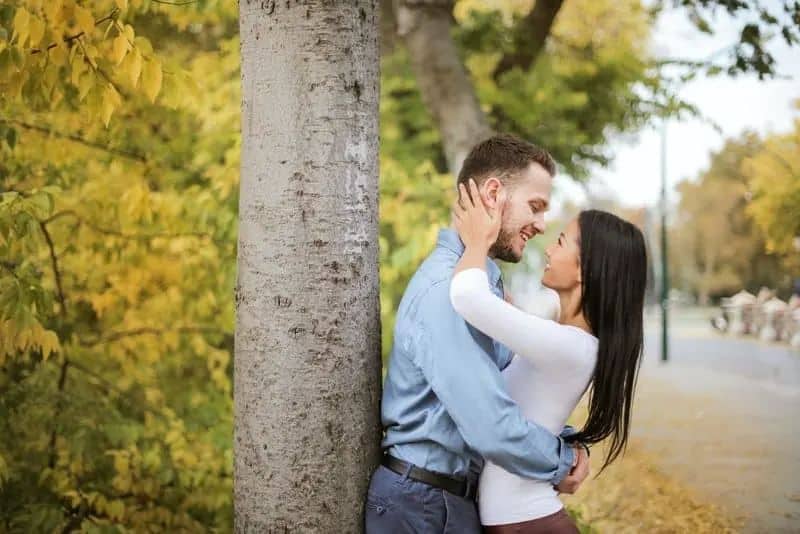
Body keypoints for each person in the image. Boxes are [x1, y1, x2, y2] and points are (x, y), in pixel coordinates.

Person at [365, 135, 590, 534]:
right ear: (493, 194)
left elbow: (511, 387)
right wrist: (561, 461)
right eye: (535, 207)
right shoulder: (447, 292)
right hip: (423, 506)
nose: (540, 225)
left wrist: (569, 440)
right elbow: (492, 424)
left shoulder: (480, 284)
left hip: (447, 501)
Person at [450, 179, 648, 533]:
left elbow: (468, 297)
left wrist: (477, 240)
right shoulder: (566, 343)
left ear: (583, 271)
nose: (547, 250)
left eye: (559, 242)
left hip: (528, 522)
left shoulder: (568, 347)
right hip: (522, 520)